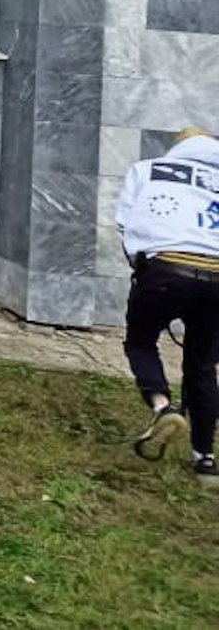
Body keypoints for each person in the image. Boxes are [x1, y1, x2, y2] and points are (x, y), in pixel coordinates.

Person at [115, 126, 219, 487]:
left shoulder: (147, 170)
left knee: (141, 341)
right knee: (202, 365)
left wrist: (141, 266)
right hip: (217, 278)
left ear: (178, 148)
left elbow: (126, 224)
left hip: (165, 269)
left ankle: (163, 407)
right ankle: (205, 461)